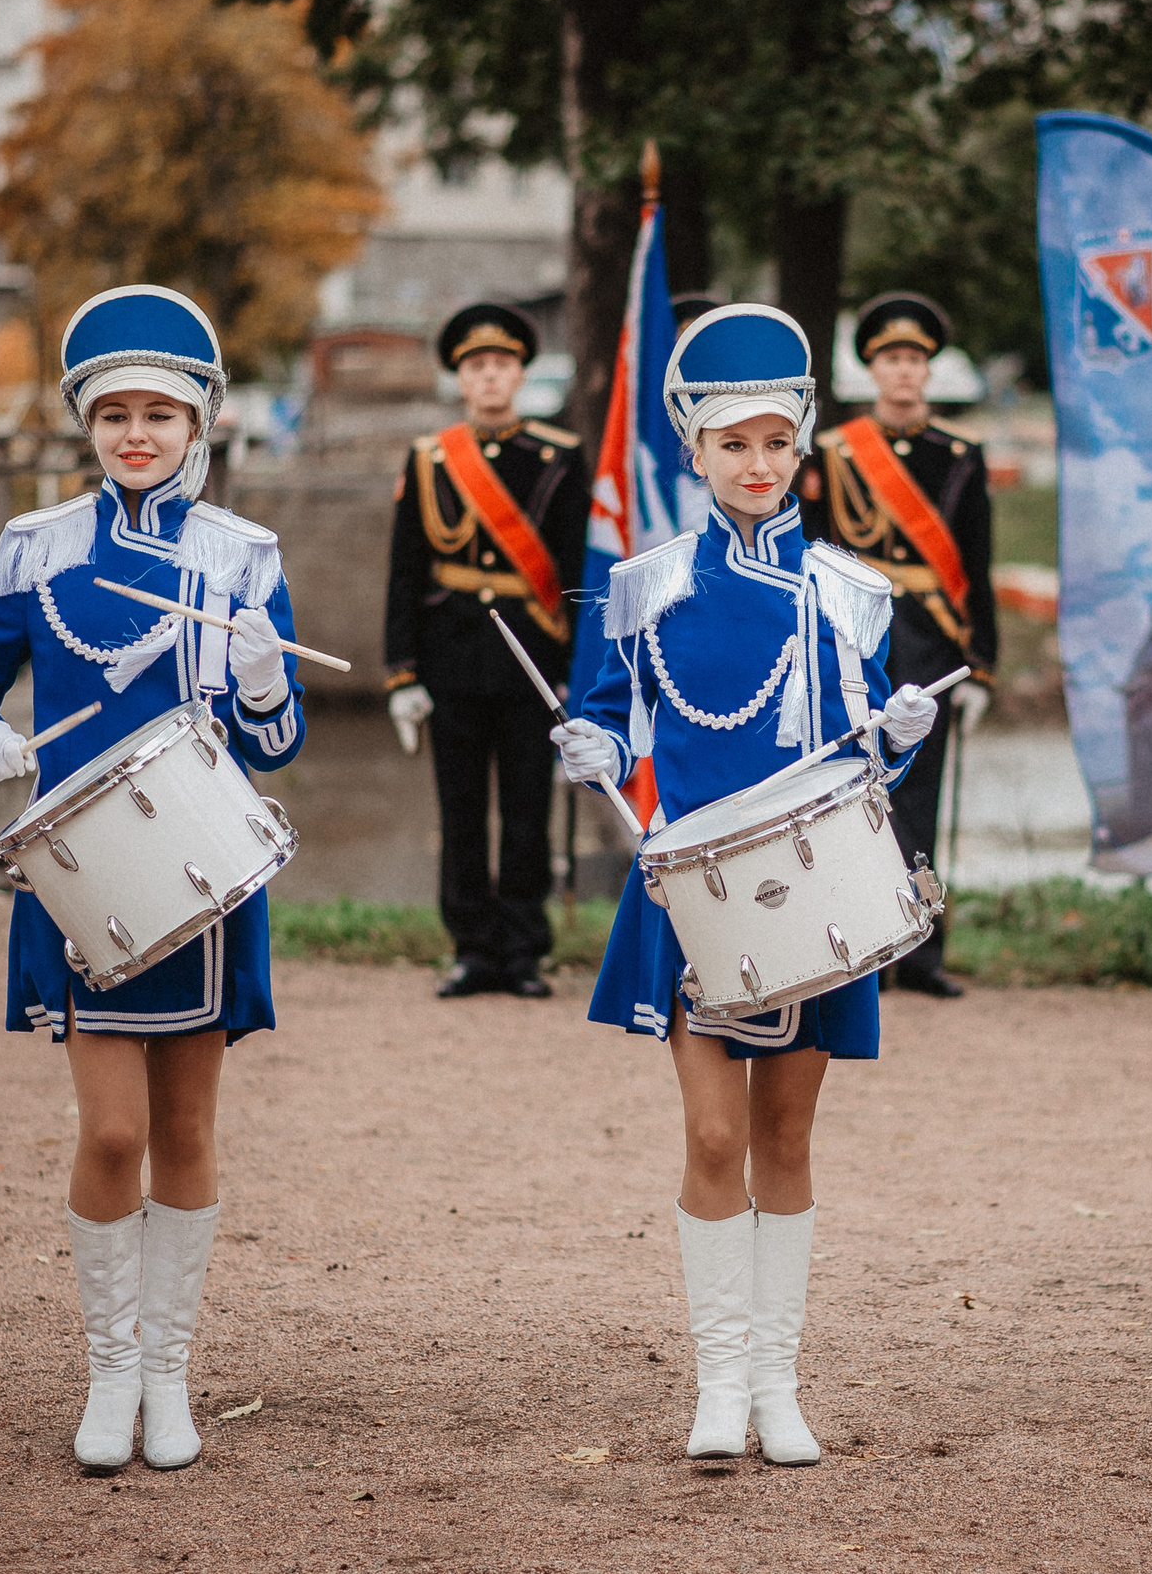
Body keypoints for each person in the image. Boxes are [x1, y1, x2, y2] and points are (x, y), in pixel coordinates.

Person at [0, 285, 305, 1477]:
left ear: (201, 422)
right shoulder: (37, 545)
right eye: (115, 414)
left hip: (204, 878)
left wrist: (261, 681)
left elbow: (278, 741)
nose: (137, 434)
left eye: (160, 414)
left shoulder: (242, 554)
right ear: (87, 422)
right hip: (83, 880)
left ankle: (169, 1373)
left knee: (186, 1126)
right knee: (111, 1129)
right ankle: (109, 1368)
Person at [553, 305, 940, 1465]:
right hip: (695, 895)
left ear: (802, 443)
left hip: (817, 893)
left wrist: (898, 740)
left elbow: (862, 759)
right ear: (696, 450)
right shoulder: (645, 586)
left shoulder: (849, 590)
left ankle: (778, 1385)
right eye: (734, 444)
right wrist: (593, 744)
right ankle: (720, 1383)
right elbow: (611, 717)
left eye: (776, 442)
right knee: (715, 1135)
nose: (757, 464)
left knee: (786, 1135)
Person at [384, 303, 587, 998]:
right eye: (476, 366)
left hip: (534, 662)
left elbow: (575, 573)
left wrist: (578, 678)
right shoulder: (430, 458)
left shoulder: (560, 456)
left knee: (528, 814)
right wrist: (403, 673)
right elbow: (406, 571)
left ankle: (523, 949)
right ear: (460, 378)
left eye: (501, 364)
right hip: (452, 661)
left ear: (521, 373)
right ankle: (472, 947)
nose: (490, 376)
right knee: (461, 813)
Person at [799, 293, 996, 996]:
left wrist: (981, 668)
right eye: (891, 359)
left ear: (929, 369)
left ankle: (920, 951)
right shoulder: (834, 452)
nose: (904, 371)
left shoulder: (960, 455)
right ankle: (862, 944)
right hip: (857, 647)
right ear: (872, 369)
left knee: (920, 801)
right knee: (853, 797)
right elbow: (813, 557)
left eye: (914, 359)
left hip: (933, 651)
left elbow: (977, 566)